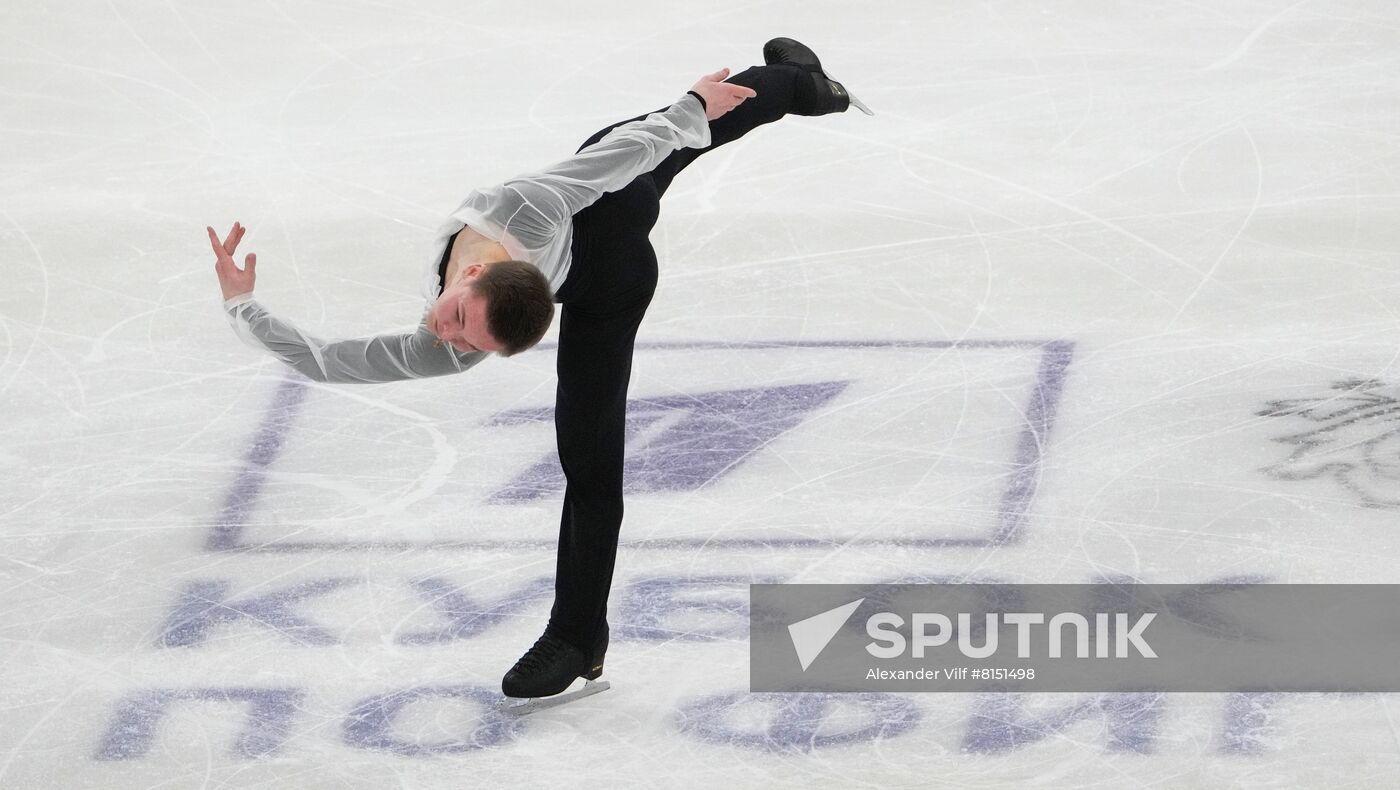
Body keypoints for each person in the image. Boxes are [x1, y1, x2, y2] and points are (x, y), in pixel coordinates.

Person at [209, 38, 870, 702]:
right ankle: (581, 638)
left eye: (462, 330)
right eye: (462, 328)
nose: (448, 336)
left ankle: (800, 83)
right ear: (471, 278)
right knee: (591, 455)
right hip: (607, 237)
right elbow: (331, 362)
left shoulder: (529, 212)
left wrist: (691, 107)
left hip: (611, 246)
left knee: (677, 135)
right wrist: (243, 304)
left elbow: (636, 151)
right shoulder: (478, 293)